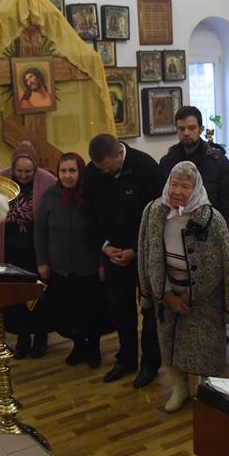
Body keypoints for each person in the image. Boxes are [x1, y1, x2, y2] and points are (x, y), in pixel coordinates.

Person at [137, 162, 229, 412]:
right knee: (170, 345)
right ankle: (180, 388)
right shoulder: (153, 212)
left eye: (185, 186)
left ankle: (209, 390)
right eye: (174, 184)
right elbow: (146, 252)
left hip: (205, 298)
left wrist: (192, 292)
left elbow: (225, 263)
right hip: (167, 293)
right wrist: (164, 292)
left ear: (196, 189)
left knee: (205, 349)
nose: (177, 191)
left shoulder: (212, 219)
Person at [84, 133, 163, 387]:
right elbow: (88, 213)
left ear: (120, 153)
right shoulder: (93, 172)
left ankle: (150, 363)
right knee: (120, 308)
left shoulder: (147, 167)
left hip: (143, 254)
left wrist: (135, 250)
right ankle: (126, 358)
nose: (104, 173)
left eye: (108, 168)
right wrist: (104, 247)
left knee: (149, 309)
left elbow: (158, 217)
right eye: (100, 169)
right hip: (112, 255)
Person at [34, 152, 107, 368]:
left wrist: (103, 263)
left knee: (91, 311)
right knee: (70, 312)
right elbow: (40, 231)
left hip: (89, 268)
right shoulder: (49, 196)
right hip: (60, 269)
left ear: (80, 171)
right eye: (63, 171)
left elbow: (103, 231)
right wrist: (42, 262)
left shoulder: (91, 195)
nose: (67, 176)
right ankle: (78, 346)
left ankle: (93, 348)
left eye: (72, 171)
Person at [0, 141, 57, 358]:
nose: (24, 175)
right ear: (12, 167)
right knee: (16, 298)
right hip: (10, 252)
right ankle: (22, 338)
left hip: (36, 252)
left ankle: (41, 338)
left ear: (35, 168)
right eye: (20, 171)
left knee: (38, 296)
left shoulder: (48, 181)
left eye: (29, 171)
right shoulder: (1, 181)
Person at [158, 106, 229, 242]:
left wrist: (227, 236)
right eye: (181, 129)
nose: (186, 133)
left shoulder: (218, 161)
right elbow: (163, 200)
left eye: (191, 128)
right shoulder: (168, 161)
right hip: (176, 231)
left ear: (200, 129)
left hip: (210, 230)